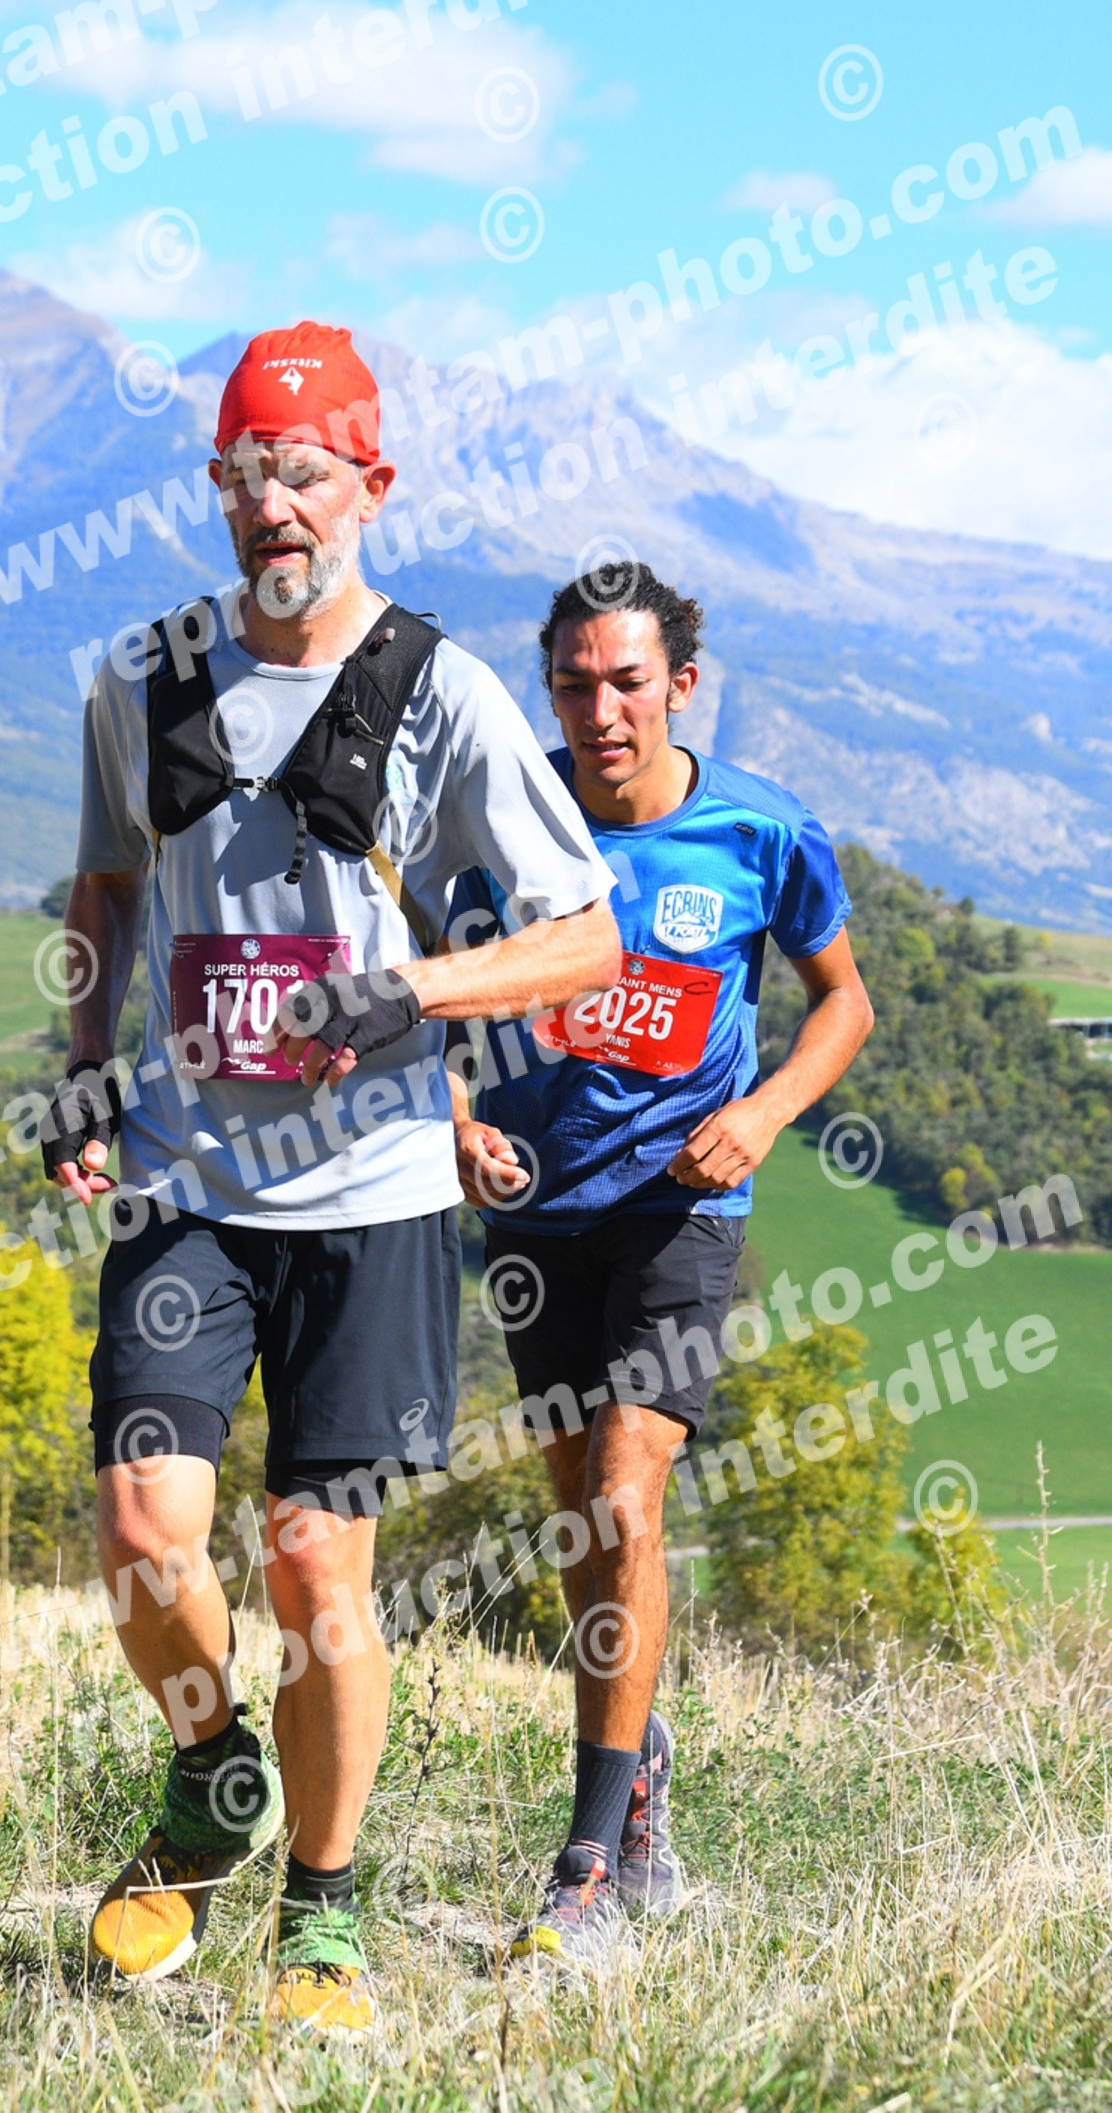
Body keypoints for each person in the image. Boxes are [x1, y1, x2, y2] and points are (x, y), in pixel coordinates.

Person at [52, 322, 622, 2033]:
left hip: (372, 1198)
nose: (274, 507)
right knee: (145, 1529)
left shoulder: (439, 689)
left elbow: (584, 941)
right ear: (217, 490)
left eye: (305, 474)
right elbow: (103, 891)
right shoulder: (143, 677)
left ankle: (322, 1913)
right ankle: (213, 1769)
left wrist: (412, 995)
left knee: (314, 1567)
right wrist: (80, 1065)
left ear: (371, 485)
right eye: (247, 476)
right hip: (187, 1183)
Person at [448, 561, 874, 1970]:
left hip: (685, 1207)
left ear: (682, 684)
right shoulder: (506, 830)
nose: (601, 710)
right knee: (583, 1519)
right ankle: (636, 1763)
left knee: (628, 1497)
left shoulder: (762, 830)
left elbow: (842, 1001)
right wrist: (457, 1124)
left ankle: (588, 1865)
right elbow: (432, 1008)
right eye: (574, 684)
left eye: (627, 682)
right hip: (535, 1212)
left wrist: (764, 1114)